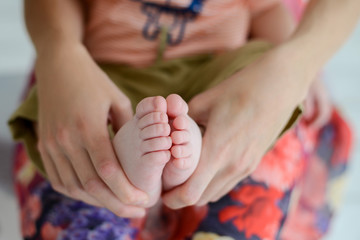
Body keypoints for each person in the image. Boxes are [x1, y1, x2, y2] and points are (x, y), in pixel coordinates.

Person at [8, 0, 358, 239]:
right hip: (109, 78)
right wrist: (62, 53)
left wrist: (296, 66)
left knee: (258, 57)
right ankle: (138, 158)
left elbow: (266, 10)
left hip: (216, 77)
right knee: (60, 109)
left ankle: (188, 139)